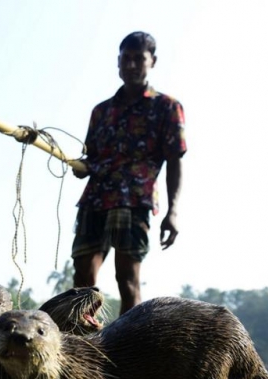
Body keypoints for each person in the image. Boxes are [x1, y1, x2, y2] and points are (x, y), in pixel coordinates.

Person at [71, 31, 187, 315]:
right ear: (118, 62)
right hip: (95, 199)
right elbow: (92, 158)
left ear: (153, 62)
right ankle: (78, 346)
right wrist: (81, 167)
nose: (132, 65)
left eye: (139, 59)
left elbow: (175, 160)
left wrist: (173, 211)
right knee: (82, 280)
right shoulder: (101, 111)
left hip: (133, 200)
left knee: (127, 279)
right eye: (126, 59)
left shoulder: (166, 107)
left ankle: (127, 351)